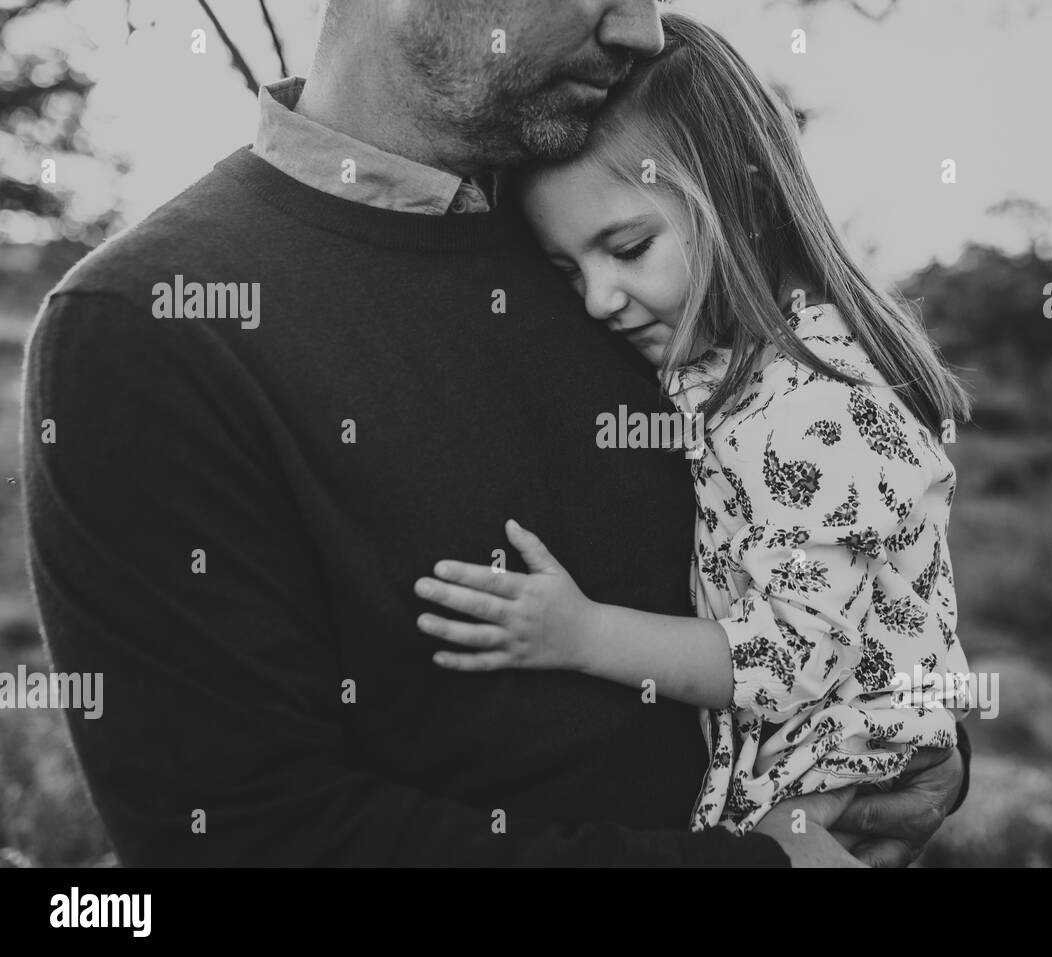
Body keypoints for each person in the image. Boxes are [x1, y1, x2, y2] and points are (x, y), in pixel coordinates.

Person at [22, 0, 968, 866]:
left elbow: (838, 544)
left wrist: (908, 748)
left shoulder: (614, 217)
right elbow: (249, 836)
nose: (640, 26)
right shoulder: (146, 323)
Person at [413, 12, 973, 838]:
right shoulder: (719, 362)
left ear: (742, 194)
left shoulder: (815, 407)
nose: (600, 299)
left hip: (833, 773)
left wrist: (582, 633)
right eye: (568, 270)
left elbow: (793, 658)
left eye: (629, 248)